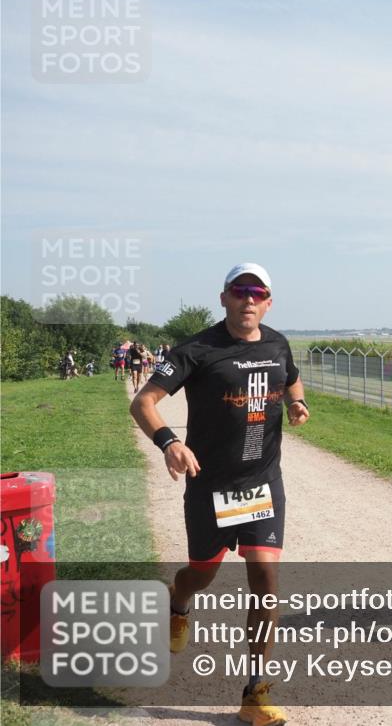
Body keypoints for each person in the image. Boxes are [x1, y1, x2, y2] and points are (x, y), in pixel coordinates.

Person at [130, 263, 308, 726]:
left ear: (268, 301)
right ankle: (178, 601)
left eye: (258, 292)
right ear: (224, 297)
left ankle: (255, 692)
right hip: (210, 486)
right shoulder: (198, 349)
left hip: (262, 481)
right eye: (239, 291)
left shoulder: (277, 343)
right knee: (201, 575)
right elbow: (143, 401)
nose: (248, 299)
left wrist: (296, 402)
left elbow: (290, 376)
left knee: (266, 578)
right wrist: (170, 442)